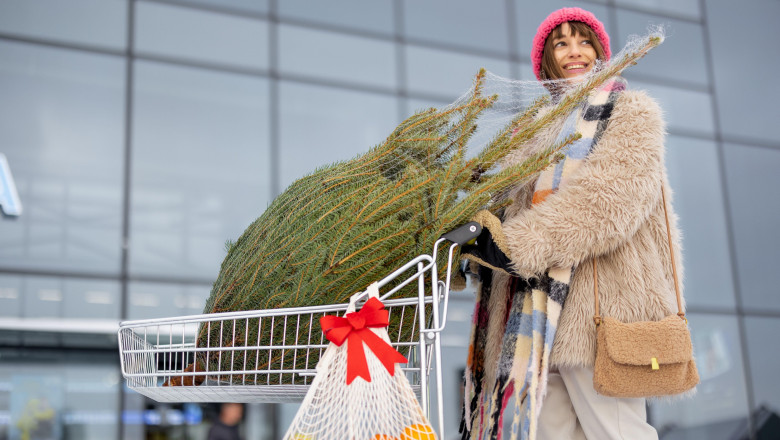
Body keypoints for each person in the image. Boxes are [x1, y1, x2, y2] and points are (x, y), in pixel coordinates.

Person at [461, 7, 683, 440]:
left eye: (584, 41)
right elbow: (504, 209)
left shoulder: (630, 112)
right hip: (539, 316)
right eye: (561, 43)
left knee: (618, 432)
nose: (574, 52)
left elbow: (609, 202)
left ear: (601, 52)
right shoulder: (535, 132)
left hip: (602, 312)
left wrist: (515, 247)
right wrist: (468, 243)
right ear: (547, 60)